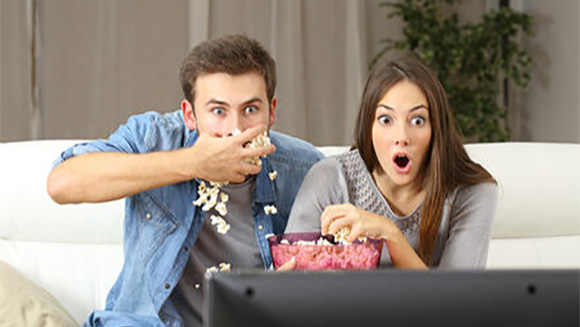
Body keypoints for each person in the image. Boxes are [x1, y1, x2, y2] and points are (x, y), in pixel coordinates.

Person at [47, 34, 323, 327]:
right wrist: (193, 162)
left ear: (272, 112)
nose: (235, 129)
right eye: (218, 111)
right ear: (189, 115)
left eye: (251, 110)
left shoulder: (305, 169)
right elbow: (62, 183)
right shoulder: (153, 137)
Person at [285, 57, 498, 269]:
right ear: (368, 127)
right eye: (386, 120)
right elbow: (290, 281)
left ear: (436, 128)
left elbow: (457, 300)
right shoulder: (330, 179)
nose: (402, 136)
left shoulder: (471, 192)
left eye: (417, 120)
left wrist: (390, 235)